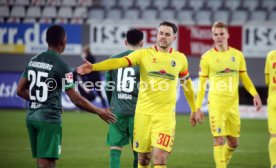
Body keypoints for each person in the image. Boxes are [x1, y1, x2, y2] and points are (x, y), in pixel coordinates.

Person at [77, 21, 203, 168]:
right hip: (142, 115)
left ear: (174, 38)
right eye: (161, 33)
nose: (163, 37)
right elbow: (118, 62)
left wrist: (194, 109)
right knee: (143, 160)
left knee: (160, 158)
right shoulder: (144, 54)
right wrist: (94, 67)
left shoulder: (180, 58)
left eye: (167, 34)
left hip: (165, 117)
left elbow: (186, 84)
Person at [16, 25, 116, 168]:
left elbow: (20, 90)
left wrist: (43, 101)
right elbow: (76, 98)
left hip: (32, 116)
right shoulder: (62, 66)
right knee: (48, 163)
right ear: (63, 41)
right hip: (48, 119)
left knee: (42, 160)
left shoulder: (34, 60)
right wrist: (100, 111)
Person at [195, 21, 262, 168]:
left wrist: (255, 94)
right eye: (215, 34)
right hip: (216, 105)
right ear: (212, 36)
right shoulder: (207, 57)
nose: (218, 37)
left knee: (233, 143)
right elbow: (201, 85)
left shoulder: (237, 55)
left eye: (221, 34)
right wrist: (198, 107)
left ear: (227, 35)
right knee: (218, 140)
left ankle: (222, 161)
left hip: (232, 105)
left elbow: (244, 77)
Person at [105, 28, 143, 168]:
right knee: (138, 151)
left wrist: (112, 104)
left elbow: (108, 86)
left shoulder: (114, 59)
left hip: (117, 110)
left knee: (115, 149)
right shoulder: (143, 61)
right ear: (142, 43)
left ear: (125, 41)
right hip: (137, 112)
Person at [265, 50, 276, 168]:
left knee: (274, 136)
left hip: (273, 99)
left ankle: (274, 164)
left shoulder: (270, 55)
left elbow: (267, 81)